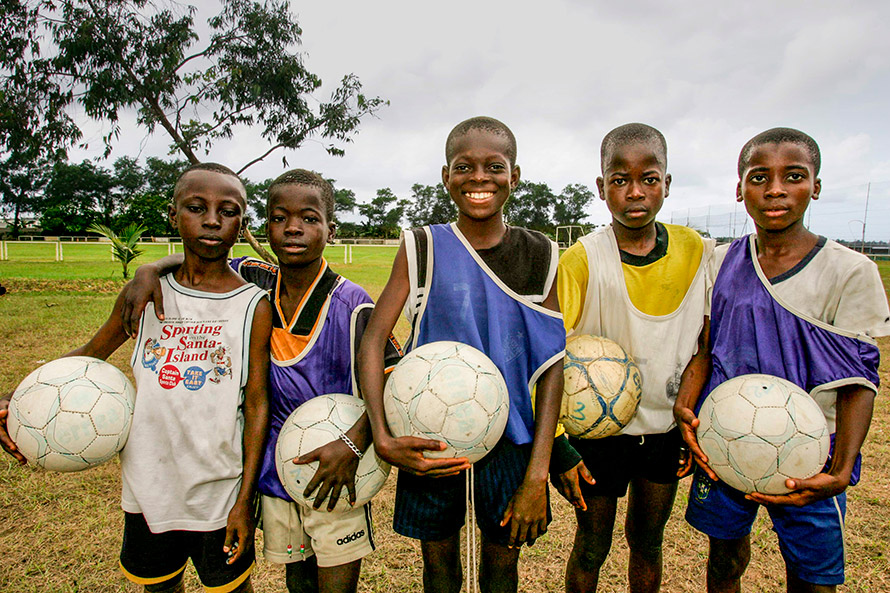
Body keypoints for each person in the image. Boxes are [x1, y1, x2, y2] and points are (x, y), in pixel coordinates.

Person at [121, 169, 402, 593]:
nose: (293, 228)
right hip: (275, 467)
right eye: (279, 218)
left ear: (331, 229)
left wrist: (352, 443)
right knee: (298, 580)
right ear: (264, 227)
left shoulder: (353, 304)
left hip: (337, 464)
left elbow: (394, 381)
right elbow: (200, 254)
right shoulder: (253, 279)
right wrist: (150, 268)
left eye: (309, 218)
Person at [0, 163, 273, 593]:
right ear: (173, 215)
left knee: (232, 588)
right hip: (148, 487)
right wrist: (15, 398)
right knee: (159, 586)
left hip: (219, 493)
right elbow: (90, 353)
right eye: (196, 208)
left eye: (228, 211)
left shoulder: (253, 304)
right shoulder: (144, 294)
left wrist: (244, 500)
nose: (212, 220)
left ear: (241, 224)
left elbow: (257, 403)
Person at [675, 127, 890, 592]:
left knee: (813, 579)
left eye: (793, 176)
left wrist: (840, 470)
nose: (775, 189)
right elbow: (706, 347)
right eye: (759, 177)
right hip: (725, 439)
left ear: (816, 186)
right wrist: (684, 408)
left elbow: (859, 382)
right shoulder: (721, 260)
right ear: (739, 190)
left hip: (810, 453)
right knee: (724, 559)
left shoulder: (851, 271)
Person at [357, 116, 566, 593]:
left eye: (495, 166)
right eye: (464, 166)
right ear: (445, 175)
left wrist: (538, 473)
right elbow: (373, 339)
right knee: (439, 567)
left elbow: (553, 364)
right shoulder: (422, 245)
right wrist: (383, 436)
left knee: (502, 566)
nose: (479, 177)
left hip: (511, 439)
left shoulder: (540, 253)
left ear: (514, 176)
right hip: (428, 431)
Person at [554, 123, 713, 593]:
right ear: (601, 187)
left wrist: (690, 416)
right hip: (597, 435)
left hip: (665, 430)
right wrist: (559, 445)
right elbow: (548, 355)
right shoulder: (582, 259)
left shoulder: (696, 250)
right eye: (620, 180)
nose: (636, 191)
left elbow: (704, 343)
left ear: (667, 183)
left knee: (648, 541)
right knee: (591, 545)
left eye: (649, 178)